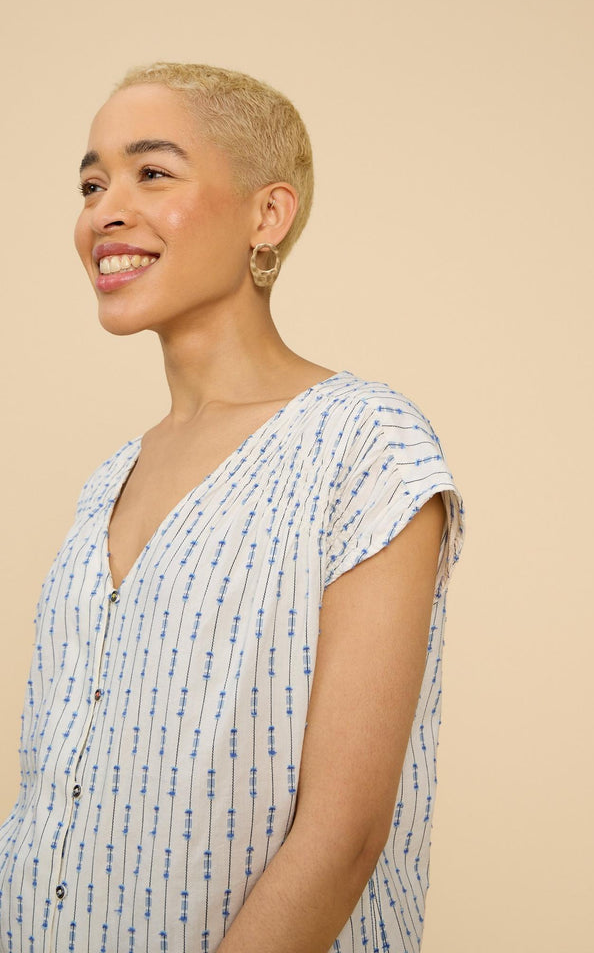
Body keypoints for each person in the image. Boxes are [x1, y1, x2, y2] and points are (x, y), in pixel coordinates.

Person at [0, 62, 463, 953]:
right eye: (91, 184)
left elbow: (343, 836)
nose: (105, 211)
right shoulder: (110, 479)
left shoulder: (364, 443)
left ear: (267, 215)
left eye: (152, 172)